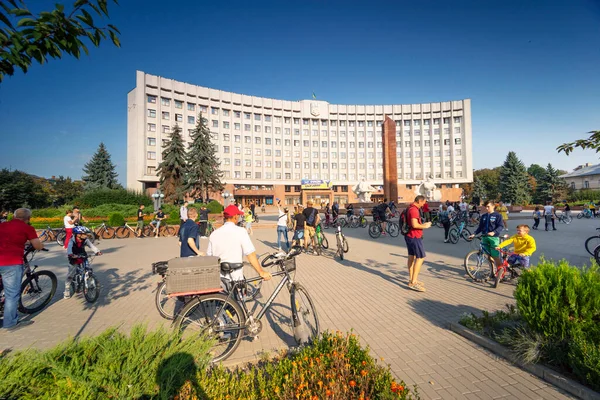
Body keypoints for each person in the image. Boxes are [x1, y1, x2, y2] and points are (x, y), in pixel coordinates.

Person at [0, 208, 43, 330]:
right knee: (12, 294)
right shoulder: (27, 228)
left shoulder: (3, 225)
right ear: (28, 219)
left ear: (13, 216)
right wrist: (41, 246)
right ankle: (10, 323)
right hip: (11, 263)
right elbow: (36, 245)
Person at [207, 205, 271, 285]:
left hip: (220, 277)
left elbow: (209, 256)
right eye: (238, 215)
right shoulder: (241, 232)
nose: (239, 217)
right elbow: (250, 254)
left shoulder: (214, 234)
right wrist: (261, 272)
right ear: (235, 217)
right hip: (235, 276)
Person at [469, 200, 504, 276]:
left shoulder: (498, 215)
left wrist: (494, 232)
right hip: (485, 237)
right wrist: (474, 234)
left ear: (493, 206)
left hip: (493, 238)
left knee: (495, 255)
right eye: (486, 207)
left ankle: (500, 269)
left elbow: (500, 226)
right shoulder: (484, 216)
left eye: (488, 206)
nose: (487, 208)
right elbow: (480, 227)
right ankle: (492, 271)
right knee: (488, 256)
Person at [405, 196, 432, 292]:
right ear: (420, 201)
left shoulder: (410, 207)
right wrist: (425, 226)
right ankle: (413, 282)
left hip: (410, 236)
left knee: (411, 256)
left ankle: (412, 279)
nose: (424, 204)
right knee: (420, 257)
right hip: (415, 236)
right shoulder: (414, 210)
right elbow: (415, 224)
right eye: (424, 202)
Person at [65, 226, 102, 299]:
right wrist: (71, 254)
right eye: (83, 233)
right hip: (74, 257)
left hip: (83, 255)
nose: (85, 235)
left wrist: (97, 251)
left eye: (85, 233)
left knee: (88, 270)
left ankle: (90, 283)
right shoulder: (71, 241)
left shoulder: (85, 240)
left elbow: (92, 246)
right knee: (71, 274)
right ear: (77, 234)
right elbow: (69, 249)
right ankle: (67, 289)